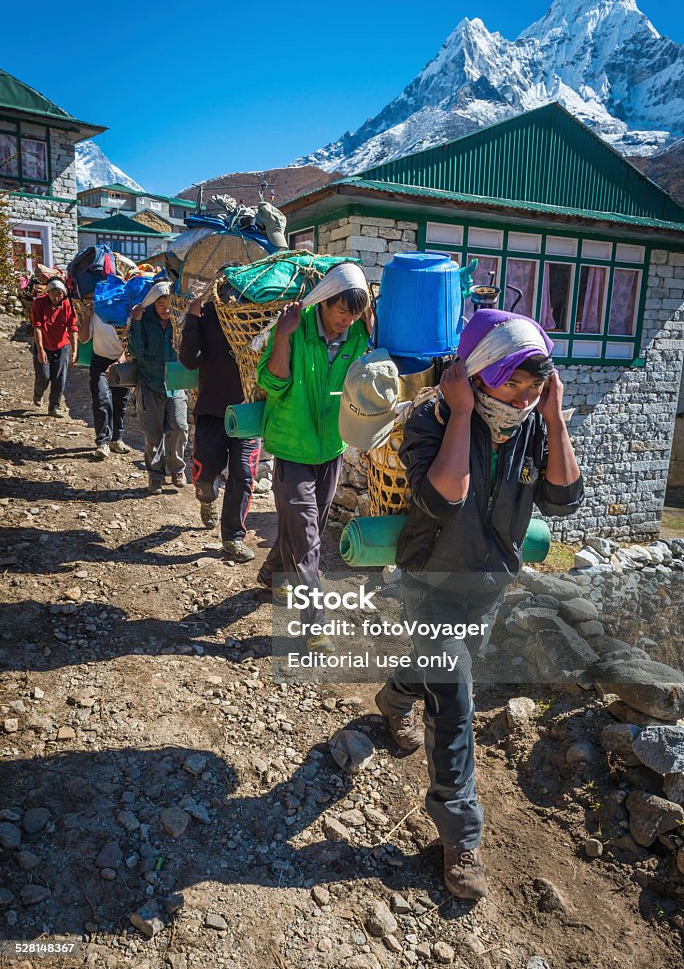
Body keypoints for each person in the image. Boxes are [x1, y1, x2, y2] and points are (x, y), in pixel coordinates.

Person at [374, 308, 584, 901]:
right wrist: (463, 412)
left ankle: (391, 699)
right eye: (512, 381)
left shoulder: (534, 427)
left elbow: (564, 498)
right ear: (476, 373)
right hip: (431, 585)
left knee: (440, 673)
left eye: (534, 384)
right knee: (457, 703)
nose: (521, 397)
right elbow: (444, 500)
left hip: (488, 586)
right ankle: (461, 836)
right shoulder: (429, 421)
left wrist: (555, 414)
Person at [255, 264, 371, 645]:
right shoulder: (295, 325)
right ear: (324, 302)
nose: (347, 320)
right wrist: (284, 337)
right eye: (342, 311)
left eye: (354, 313)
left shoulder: (357, 331)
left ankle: (272, 571)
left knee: (309, 527)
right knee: (306, 533)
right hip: (291, 445)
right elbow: (270, 382)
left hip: (331, 445)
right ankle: (315, 623)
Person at [179, 296, 260, 562]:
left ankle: (233, 538)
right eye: (228, 289)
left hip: (247, 413)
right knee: (206, 472)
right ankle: (206, 498)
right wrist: (192, 317)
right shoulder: (207, 314)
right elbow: (189, 360)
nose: (233, 296)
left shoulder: (257, 315)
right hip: (212, 409)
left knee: (244, 474)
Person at [128, 284, 189, 495]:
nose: (165, 309)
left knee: (179, 427)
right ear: (152, 305)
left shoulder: (180, 322)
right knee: (153, 435)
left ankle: (177, 470)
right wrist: (135, 322)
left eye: (169, 303)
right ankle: (155, 476)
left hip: (176, 385)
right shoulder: (143, 322)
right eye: (160, 304)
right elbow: (136, 351)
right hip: (150, 384)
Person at [77, 299, 132, 460]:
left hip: (121, 361)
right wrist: (88, 316)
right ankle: (103, 442)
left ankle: (116, 439)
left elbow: (131, 343)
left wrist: (119, 362)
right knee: (102, 398)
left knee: (120, 401)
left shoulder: (128, 314)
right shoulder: (97, 313)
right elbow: (83, 338)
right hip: (100, 361)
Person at [31, 276, 78, 417]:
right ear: (48, 292)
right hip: (43, 344)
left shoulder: (67, 305)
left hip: (62, 345)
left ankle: (54, 407)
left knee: (59, 377)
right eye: (54, 292)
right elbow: (37, 327)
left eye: (60, 293)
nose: (57, 296)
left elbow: (72, 327)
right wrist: (40, 350)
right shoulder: (38, 303)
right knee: (44, 376)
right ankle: (38, 393)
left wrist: (74, 351)